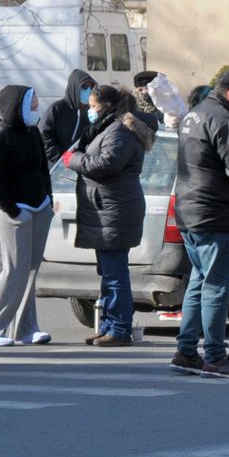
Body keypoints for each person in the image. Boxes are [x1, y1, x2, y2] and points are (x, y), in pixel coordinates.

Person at [172, 67, 229, 378]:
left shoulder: (196, 114)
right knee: (217, 287)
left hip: (191, 212)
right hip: (216, 214)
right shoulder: (225, 120)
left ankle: (186, 352)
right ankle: (215, 356)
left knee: (199, 282)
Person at [67, 85, 155, 346]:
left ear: (106, 106)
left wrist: (73, 159)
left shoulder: (119, 130)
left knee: (115, 273)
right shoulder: (110, 128)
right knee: (108, 272)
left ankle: (119, 328)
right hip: (108, 209)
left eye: (93, 107)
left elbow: (106, 164)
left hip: (115, 210)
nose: (90, 112)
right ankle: (107, 325)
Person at [0, 86, 55, 347]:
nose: (36, 110)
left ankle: (24, 329)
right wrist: (14, 211)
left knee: (30, 271)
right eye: (32, 105)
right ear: (18, 106)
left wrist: (48, 201)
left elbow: (43, 169)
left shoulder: (32, 132)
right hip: (12, 211)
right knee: (14, 271)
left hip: (38, 207)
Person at [40, 68, 97, 164]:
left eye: (91, 87)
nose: (88, 91)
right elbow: (43, 135)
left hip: (80, 165)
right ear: (74, 87)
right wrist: (60, 158)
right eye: (84, 87)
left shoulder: (89, 111)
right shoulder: (57, 108)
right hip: (58, 167)